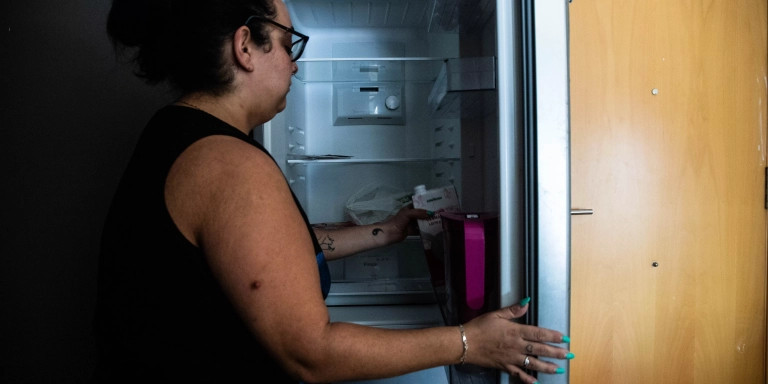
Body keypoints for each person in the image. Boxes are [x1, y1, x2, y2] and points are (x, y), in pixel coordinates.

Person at [93, 0, 574, 383]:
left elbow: (268, 254)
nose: (295, 66)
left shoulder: (177, 134)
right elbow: (312, 354)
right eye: (287, 44)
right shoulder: (227, 163)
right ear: (245, 46)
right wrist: (471, 342)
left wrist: (386, 230)